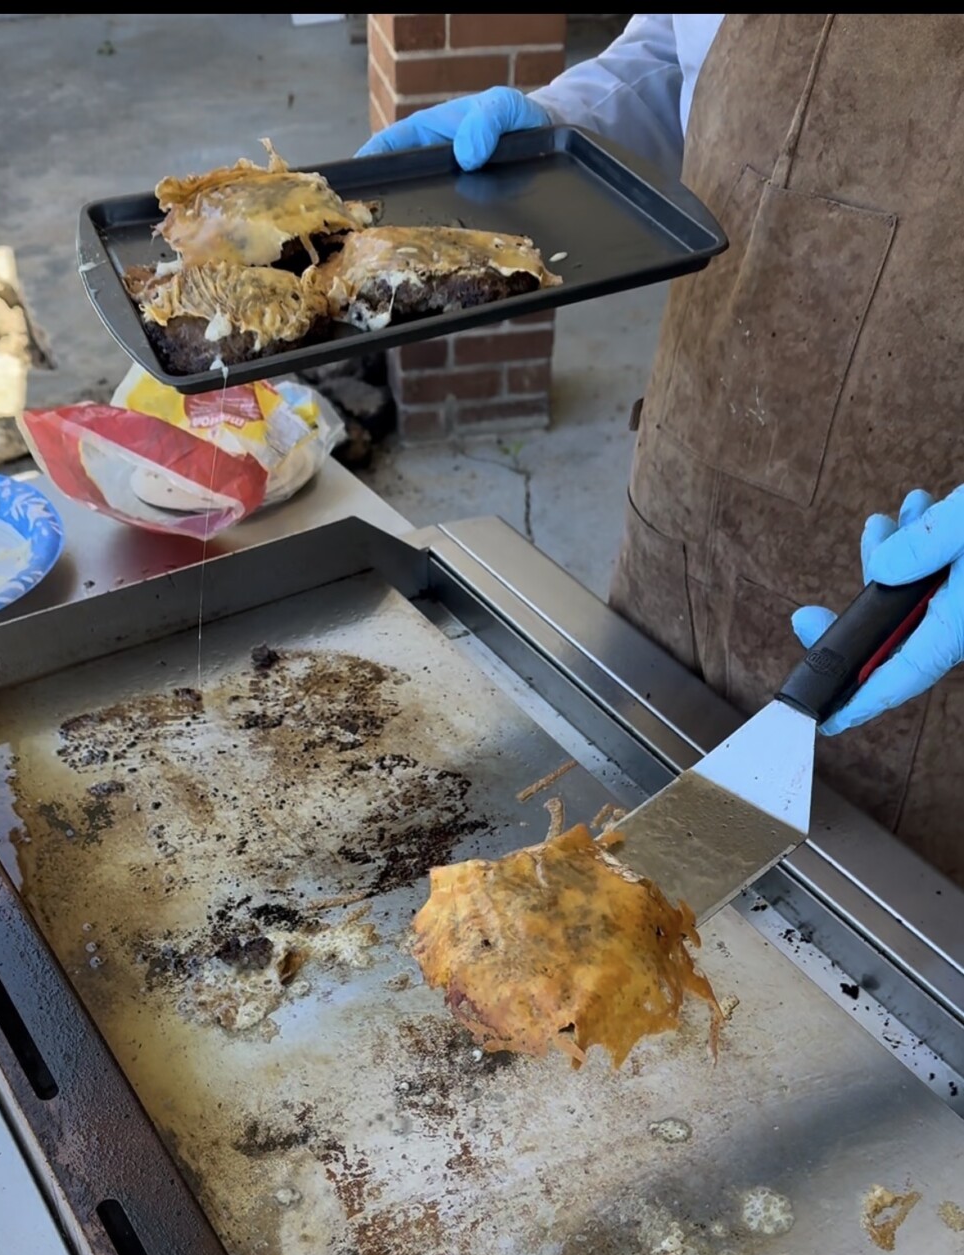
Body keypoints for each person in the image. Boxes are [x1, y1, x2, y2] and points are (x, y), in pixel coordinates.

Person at [360, 15, 964, 885]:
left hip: (919, 583)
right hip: (693, 485)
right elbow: (679, 52)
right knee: (623, 868)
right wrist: (564, 132)